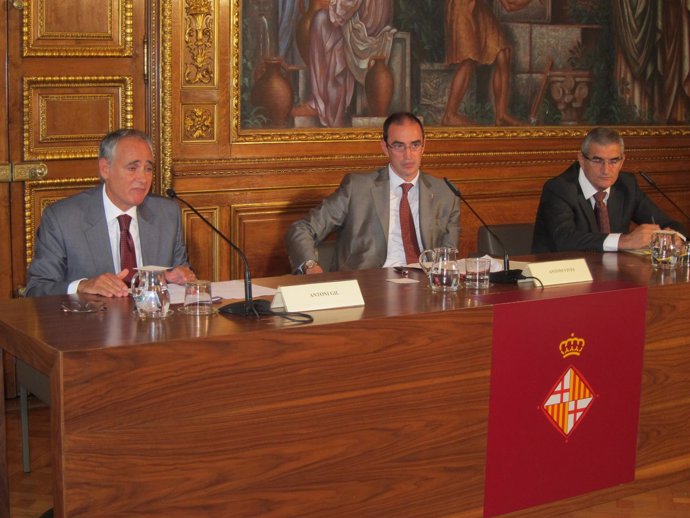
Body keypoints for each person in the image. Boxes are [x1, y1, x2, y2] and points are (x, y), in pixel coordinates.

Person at [25, 129, 196, 297]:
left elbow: (181, 277)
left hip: (152, 322)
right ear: (105, 169)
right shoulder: (63, 219)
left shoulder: (167, 214)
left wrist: (176, 277)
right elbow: (37, 289)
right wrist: (83, 286)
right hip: (91, 323)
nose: (143, 178)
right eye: (132, 168)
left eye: (148, 169)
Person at [285, 112, 460, 273]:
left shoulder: (446, 193)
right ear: (385, 147)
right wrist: (309, 265)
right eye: (399, 146)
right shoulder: (358, 188)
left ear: (423, 146)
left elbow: (448, 259)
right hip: (369, 285)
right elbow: (302, 229)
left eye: (415, 145)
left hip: (425, 288)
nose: (408, 155)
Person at [532, 127, 686, 253]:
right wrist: (624, 240)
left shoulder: (627, 185)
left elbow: (668, 224)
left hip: (613, 276)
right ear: (581, 159)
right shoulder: (559, 189)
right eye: (597, 160)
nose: (606, 170)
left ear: (622, 161)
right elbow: (564, 240)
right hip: (562, 278)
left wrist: (673, 237)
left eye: (613, 161)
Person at [291, 0, 395, 127]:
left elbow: (343, 9)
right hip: (368, 19)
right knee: (323, 19)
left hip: (363, 27)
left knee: (320, 19)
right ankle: (322, 103)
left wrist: (330, 5)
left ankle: (321, 104)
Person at [443, 0, 534, 126]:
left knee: (503, 52)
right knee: (468, 60)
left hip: (477, 6)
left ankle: (501, 115)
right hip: (461, 6)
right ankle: (450, 115)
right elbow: (509, 5)